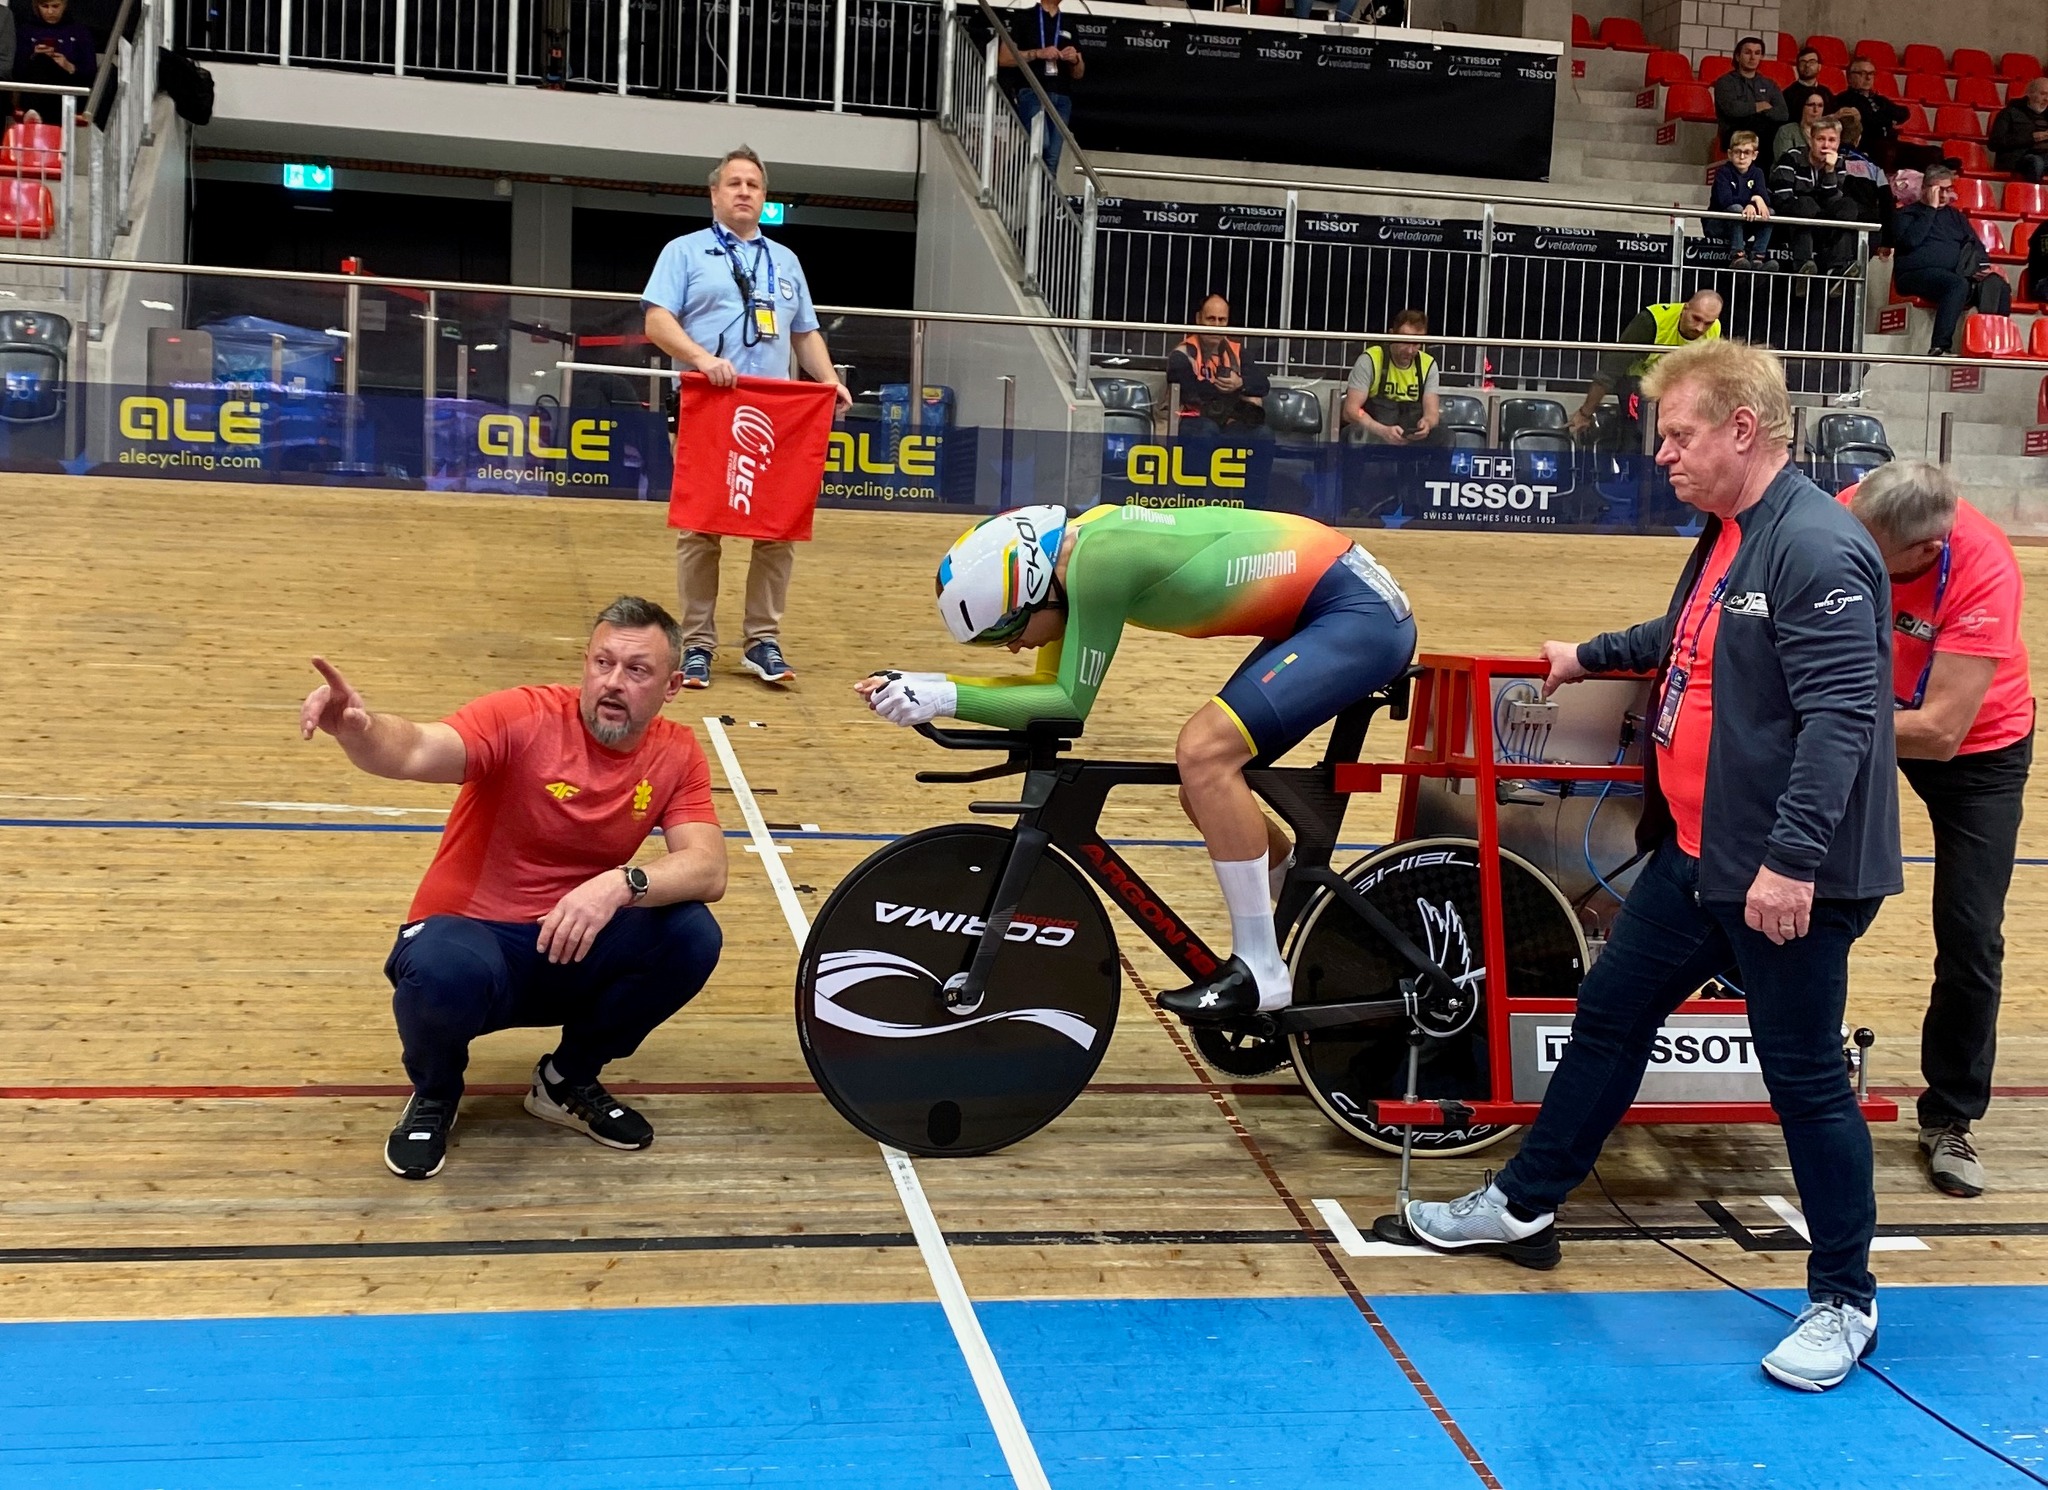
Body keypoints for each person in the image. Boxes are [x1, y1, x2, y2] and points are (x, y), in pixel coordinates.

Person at [1406, 338, 1901, 1394]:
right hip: (1695, 860)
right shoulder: (1729, 532)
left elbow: (1841, 724)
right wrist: (1588, 654)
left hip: (1781, 880)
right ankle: (1525, 1203)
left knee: (1806, 1080)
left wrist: (1789, 864)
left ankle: (1845, 1300)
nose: (1662, 454)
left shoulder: (1817, 547)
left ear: (1741, 428)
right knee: (1608, 1017)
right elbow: (1687, 637)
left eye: (1679, 434)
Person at [855, 503, 1415, 1022]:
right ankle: (1332, 920)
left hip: (1358, 615)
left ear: (1036, 592)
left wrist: (945, 695)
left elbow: (1067, 705)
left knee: (1204, 753)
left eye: (1008, 629)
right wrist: (928, 684)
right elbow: (1046, 695)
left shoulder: (1100, 561)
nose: (1012, 648)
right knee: (1205, 790)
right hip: (1328, 606)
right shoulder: (1070, 561)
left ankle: (1261, 969)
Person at [297, 597, 729, 1181]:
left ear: (672, 686)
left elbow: (708, 868)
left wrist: (620, 884)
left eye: (637, 670)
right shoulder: (524, 716)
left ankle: (566, 1081)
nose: (613, 682)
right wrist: (362, 728)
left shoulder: (676, 751)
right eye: (602, 663)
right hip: (476, 943)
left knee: (690, 934)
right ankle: (435, 1093)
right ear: (585, 664)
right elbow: (418, 747)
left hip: (571, 939)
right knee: (443, 967)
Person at [1845, 463, 2034, 1199]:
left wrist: (1822, 717)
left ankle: (1951, 1116)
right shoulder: (1851, 511)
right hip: (1868, 713)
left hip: (1974, 748)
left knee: (1971, 933)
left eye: (1874, 555)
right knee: (1805, 884)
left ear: (1926, 550)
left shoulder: (1984, 568)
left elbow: (1941, 731)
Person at [642, 147, 852, 692]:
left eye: (753, 185)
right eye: (733, 183)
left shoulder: (786, 261)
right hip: (707, 406)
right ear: (714, 194)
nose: (743, 192)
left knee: (777, 529)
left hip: (775, 413)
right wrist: (701, 359)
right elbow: (657, 321)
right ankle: (696, 644)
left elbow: (804, 332)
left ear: (764, 197)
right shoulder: (684, 251)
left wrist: (827, 380)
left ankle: (763, 639)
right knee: (701, 528)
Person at [1567, 290, 1722, 440]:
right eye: (1696, 318)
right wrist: (1585, 413)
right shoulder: (1651, 321)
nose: (1700, 328)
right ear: (1685, 308)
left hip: (1674, 386)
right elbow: (1610, 369)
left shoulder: (1715, 328)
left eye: (1708, 323)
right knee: (1642, 430)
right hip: (1638, 381)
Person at [1893, 166, 2009, 356]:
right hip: (1913, 275)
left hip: (1953, 274)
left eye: (1948, 189)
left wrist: (1983, 267)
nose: (1944, 195)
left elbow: (1975, 244)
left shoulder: (1955, 216)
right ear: (1926, 188)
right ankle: (1940, 346)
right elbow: (1910, 242)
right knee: (1957, 284)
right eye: (1939, 190)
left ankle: (1992, 346)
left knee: (1997, 285)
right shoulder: (1906, 214)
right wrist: (1930, 209)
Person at [1771, 115, 1863, 280]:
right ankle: (1804, 266)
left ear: (1839, 142)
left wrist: (1829, 171)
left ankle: (1837, 268)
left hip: (1821, 224)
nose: (1826, 145)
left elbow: (1833, 201)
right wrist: (1809, 206)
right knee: (1806, 204)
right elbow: (1781, 197)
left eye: (1832, 140)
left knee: (1848, 206)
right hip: (1791, 222)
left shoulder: (1838, 162)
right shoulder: (1791, 157)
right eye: (1821, 139)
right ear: (1810, 140)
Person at [998, 0, 1083, 176]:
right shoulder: (1024, 17)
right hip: (1033, 91)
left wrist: (1075, 59)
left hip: (1062, 97)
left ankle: (1041, 195)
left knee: (1052, 158)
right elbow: (1004, 58)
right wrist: (1037, 53)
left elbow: (1078, 73)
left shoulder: (1068, 23)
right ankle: (1008, 180)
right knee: (1039, 142)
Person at [1167, 294, 1271, 435]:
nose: (1216, 326)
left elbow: (1263, 384)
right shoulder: (1182, 353)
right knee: (1207, 429)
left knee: (1262, 433)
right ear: (1198, 319)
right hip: (1192, 418)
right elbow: (1191, 393)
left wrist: (1240, 383)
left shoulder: (1237, 351)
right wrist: (1235, 393)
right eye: (1211, 319)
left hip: (1227, 418)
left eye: (1222, 320)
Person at [1342, 309, 1442, 445]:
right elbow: (1352, 410)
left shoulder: (1428, 365)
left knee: (1444, 436)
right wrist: (1381, 430)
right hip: (1374, 433)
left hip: (1411, 437)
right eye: (1405, 342)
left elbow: (1432, 413)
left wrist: (1427, 423)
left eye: (1416, 344)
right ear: (1391, 335)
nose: (1410, 350)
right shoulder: (1371, 360)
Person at [1835, 57, 1923, 171]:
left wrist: (1880, 118)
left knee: (1933, 153)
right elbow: (1868, 122)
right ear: (1850, 77)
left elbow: (1904, 113)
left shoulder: (1879, 100)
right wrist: (1888, 119)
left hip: (1890, 142)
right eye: (1862, 73)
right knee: (1886, 151)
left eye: (1871, 73)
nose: (1868, 78)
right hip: (1866, 145)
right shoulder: (1844, 99)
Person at [1711, 133, 1775, 267]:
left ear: (1754, 155)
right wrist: (1753, 200)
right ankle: (1737, 255)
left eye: (1747, 152)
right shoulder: (1723, 172)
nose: (1741, 157)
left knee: (1769, 212)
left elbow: (1765, 199)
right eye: (1737, 152)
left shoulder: (1758, 173)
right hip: (1719, 224)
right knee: (1736, 209)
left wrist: (1756, 200)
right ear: (1729, 154)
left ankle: (1758, 257)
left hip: (1745, 224)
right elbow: (1726, 201)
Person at [1713, 36, 1787, 149]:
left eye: (1757, 53)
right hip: (1735, 135)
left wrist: (1758, 110)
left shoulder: (1769, 84)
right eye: (1748, 52)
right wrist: (1760, 106)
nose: (1752, 57)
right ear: (1738, 56)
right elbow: (1732, 109)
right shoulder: (1725, 82)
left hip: (1766, 132)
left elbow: (1783, 113)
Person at [14, 0, 92, 89]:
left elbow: (91, 71)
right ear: (37, 7)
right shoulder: (26, 31)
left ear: (65, 5)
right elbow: (15, 71)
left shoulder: (80, 32)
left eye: (55, 6)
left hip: (69, 88)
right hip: (33, 87)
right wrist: (33, 56)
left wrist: (70, 67)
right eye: (45, 6)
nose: (50, 11)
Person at [1988, 77, 2048, 183]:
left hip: (2045, 156)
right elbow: (1994, 143)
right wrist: (2032, 137)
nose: (2047, 99)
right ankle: (2031, 192)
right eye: (2043, 94)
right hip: (2018, 158)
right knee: (2036, 162)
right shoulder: (2009, 113)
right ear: (2030, 94)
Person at [1773, 89, 1829, 166]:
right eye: (1811, 105)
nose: (1816, 110)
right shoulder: (1786, 131)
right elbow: (1784, 161)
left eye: (1820, 105)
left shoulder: (1827, 133)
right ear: (1802, 107)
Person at [1783, 46, 1833, 122]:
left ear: (1819, 67)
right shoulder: (1788, 94)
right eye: (1803, 62)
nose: (1807, 65)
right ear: (1797, 67)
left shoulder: (1826, 93)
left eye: (1812, 62)